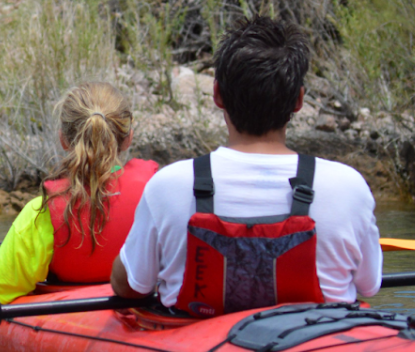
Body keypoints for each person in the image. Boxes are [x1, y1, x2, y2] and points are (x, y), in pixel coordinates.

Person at [111, 17, 381, 315]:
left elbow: (130, 286)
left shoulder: (167, 185)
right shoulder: (349, 187)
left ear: (216, 95)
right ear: (299, 100)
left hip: (197, 350)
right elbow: (369, 286)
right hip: (316, 351)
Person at [0, 83, 159, 306]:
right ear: (128, 138)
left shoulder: (41, 212)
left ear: (63, 139)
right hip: (145, 322)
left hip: (72, 323)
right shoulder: (156, 194)